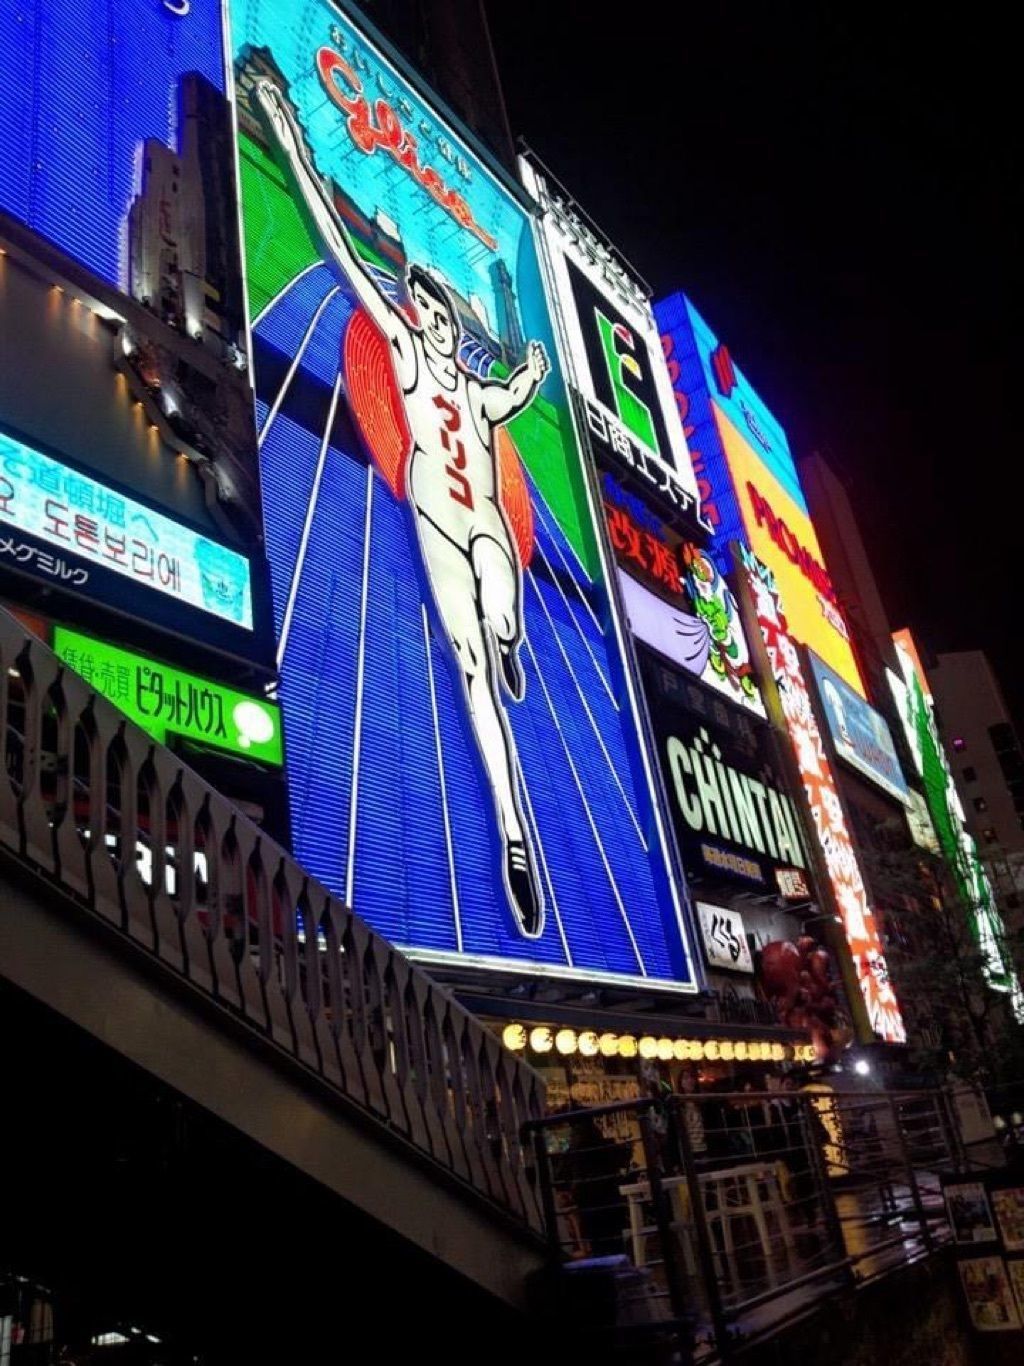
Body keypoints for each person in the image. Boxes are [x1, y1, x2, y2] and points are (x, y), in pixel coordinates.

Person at [255, 80, 548, 937]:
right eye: (420, 300)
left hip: (486, 529)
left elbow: (515, 392)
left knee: (501, 601)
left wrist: (529, 369)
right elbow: (343, 250)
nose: (429, 313)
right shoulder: (409, 353)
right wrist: (284, 127)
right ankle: (515, 831)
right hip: (439, 527)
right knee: (474, 681)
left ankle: (512, 630)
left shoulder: (471, 385)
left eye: (438, 305)